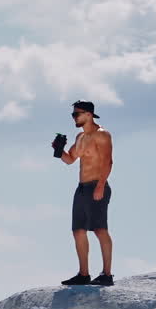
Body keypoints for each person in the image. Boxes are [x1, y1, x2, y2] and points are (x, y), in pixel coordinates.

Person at [53, 100, 114, 286]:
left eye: (77, 114)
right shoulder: (80, 138)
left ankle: (107, 274)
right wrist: (57, 150)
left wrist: (100, 186)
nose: (74, 117)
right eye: (73, 114)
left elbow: (108, 162)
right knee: (78, 231)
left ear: (88, 114)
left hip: (97, 185)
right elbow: (70, 159)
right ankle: (84, 274)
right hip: (81, 188)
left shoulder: (102, 135)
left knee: (100, 229)